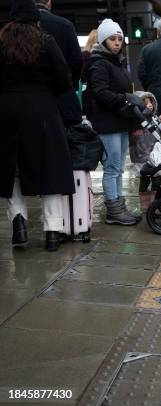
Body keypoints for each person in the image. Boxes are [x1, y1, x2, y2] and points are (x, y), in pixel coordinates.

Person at [0, 0, 75, 251]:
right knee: (50, 167)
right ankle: (52, 231)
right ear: (36, 19)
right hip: (43, 110)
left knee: (12, 167)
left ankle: (19, 222)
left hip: (8, 110)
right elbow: (65, 80)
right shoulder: (46, 42)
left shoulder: (1, 43)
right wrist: (46, 93)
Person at [83, 18, 140, 225]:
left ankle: (118, 206)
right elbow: (100, 92)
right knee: (112, 167)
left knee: (118, 168)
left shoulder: (117, 62)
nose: (117, 42)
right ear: (104, 41)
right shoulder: (99, 63)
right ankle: (113, 210)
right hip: (107, 124)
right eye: (112, 39)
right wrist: (125, 99)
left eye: (119, 39)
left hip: (119, 122)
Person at [35, 0, 82, 126]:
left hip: (31, 100)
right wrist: (69, 84)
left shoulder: (16, 28)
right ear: (49, 2)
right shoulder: (65, 25)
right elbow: (76, 60)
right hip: (63, 99)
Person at [128, 92, 161, 213]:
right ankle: (144, 205)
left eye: (150, 102)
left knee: (157, 178)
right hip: (141, 156)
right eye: (145, 102)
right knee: (144, 179)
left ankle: (155, 202)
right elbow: (131, 140)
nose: (149, 105)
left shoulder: (155, 119)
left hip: (155, 155)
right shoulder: (135, 123)